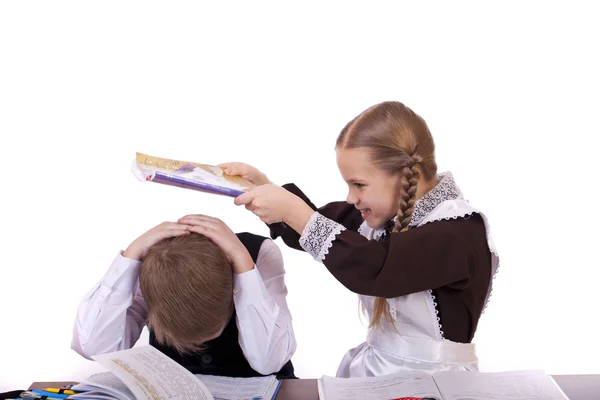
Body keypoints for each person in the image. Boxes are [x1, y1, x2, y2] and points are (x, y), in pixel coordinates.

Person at [221, 101, 499, 377]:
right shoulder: (383, 217)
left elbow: (376, 269)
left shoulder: (458, 232)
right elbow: (324, 230)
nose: (351, 199)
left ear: (404, 176)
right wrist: (265, 188)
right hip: (375, 373)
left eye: (359, 184)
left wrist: (296, 213)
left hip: (437, 384)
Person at [71, 215, 296, 378]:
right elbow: (93, 347)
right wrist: (131, 257)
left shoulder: (259, 253)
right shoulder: (153, 264)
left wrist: (244, 265)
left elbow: (270, 360)